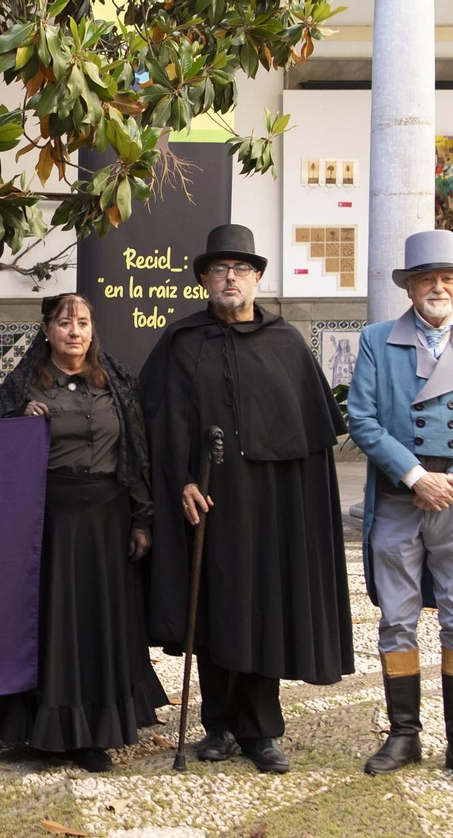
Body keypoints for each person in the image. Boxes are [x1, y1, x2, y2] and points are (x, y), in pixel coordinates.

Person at [139, 224, 354, 774]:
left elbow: (308, 439)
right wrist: (182, 479)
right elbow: (159, 422)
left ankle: (260, 730)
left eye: (240, 269)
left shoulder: (286, 343)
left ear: (257, 278)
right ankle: (217, 726)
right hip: (206, 503)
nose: (229, 277)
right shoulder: (182, 342)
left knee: (263, 608)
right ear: (205, 280)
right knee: (212, 609)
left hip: (271, 506)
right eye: (219, 269)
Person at [347, 230, 453, 785]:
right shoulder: (376, 340)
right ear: (410, 287)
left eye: (447, 277)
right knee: (396, 620)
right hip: (400, 497)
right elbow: (362, 420)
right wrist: (417, 475)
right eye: (426, 278)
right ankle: (404, 735)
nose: (437, 287)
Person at [0, 293, 168, 771]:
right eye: (64, 323)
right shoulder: (25, 386)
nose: (75, 332)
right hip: (49, 521)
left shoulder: (117, 383)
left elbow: (138, 454)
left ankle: (95, 733)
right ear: (46, 329)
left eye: (83, 323)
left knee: (97, 623)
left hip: (107, 519)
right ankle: (41, 728)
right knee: (53, 622)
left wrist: (142, 517)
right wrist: (20, 424)